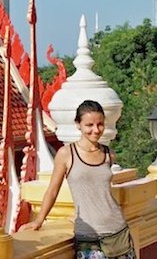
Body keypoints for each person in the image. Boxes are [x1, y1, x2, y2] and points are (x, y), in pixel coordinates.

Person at [19, 100, 136, 259]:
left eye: (100, 124)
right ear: (78, 124)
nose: (96, 130)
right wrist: (38, 221)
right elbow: (53, 191)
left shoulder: (109, 154)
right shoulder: (66, 154)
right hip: (89, 236)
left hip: (118, 230)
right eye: (89, 125)